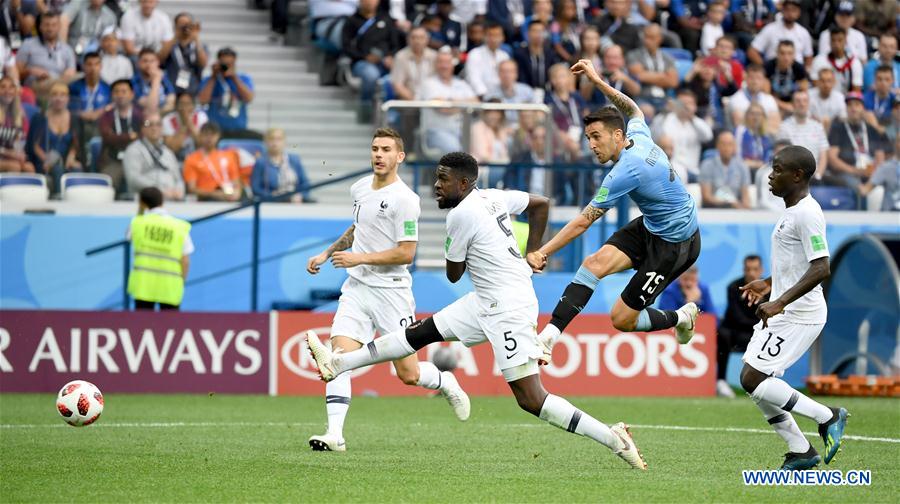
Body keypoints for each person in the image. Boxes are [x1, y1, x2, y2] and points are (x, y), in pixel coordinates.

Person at [306, 150, 649, 470]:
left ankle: (613, 438)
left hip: (507, 308)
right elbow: (541, 204)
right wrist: (533, 251)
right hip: (488, 297)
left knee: (531, 399)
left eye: (443, 180)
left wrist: (470, 248)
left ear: (464, 183)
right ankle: (338, 363)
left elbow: (454, 275)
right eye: (436, 178)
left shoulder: (460, 215)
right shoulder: (494, 196)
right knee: (420, 333)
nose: (436, 186)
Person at [304, 129, 470, 452]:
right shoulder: (359, 188)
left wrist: (359, 257)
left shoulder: (406, 200)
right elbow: (358, 227)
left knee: (407, 374)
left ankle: (444, 380)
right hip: (356, 287)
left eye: (386, 150)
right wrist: (326, 254)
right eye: (375, 149)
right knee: (338, 357)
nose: (379, 154)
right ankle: (334, 434)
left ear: (400, 157)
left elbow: (406, 252)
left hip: (391, 292)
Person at [527, 59, 701, 364]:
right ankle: (549, 337)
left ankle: (680, 317)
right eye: (588, 138)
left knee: (621, 319)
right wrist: (596, 79)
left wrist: (544, 251)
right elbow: (633, 109)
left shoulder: (625, 171)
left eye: (597, 137)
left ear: (617, 136)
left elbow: (583, 222)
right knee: (593, 263)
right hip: (652, 227)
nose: (592, 145)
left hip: (677, 246)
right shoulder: (639, 134)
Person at [738, 144, 848, 470]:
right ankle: (801, 450)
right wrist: (769, 283)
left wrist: (780, 301)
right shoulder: (791, 211)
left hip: (801, 314)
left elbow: (821, 267)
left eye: (777, 169)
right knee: (755, 381)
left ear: (797, 175)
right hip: (785, 309)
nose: (770, 176)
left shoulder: (808, 213)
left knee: (753, 378)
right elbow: (797, 263)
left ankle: (827, 416)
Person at [127, 187, 193, 311]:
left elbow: (128, 237)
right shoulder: (179, 226)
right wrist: (181, 282)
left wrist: (140, 212)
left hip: (144, 285)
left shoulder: (137, 223)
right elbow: (185, 260)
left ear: (141, 203)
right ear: (162, 201)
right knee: (170, 328)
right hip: (170, 286)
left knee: (142, 328)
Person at [340, 0, 401, 121]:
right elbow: (346, 46)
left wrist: (390, 56)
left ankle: (392, 115)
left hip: (385, 62)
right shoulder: (351, 20)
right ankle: (366, 110)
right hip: (361, 62)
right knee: (371, 75)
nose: (369, 2)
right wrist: (364, 57)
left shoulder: (386, 19)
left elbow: (395, 44)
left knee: (396, 78)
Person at [715, 255, 762, 398]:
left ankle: (764, 384)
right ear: (744, 270)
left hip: (757, 334)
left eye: (755, 269)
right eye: (748, 269)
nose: (751, 273)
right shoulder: (734, 287)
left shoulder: (769, 290)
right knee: (722, 333)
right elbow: (737, 317)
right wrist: (759, 322)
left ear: (761, 270)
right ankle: (721, 382)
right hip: (735, 333)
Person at [416, 51, 477, 155]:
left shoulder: (461, 83)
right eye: (440, 62)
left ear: (452, 65)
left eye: (447, 62)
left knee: (484, 148)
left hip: (463, 131)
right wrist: (464, 105)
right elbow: (443, 108)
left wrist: (451, 102)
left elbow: (476, 103)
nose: (444, 66)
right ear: (435, 65)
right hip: (436, 132)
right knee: (456, 153)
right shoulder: (428, 83)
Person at [26, 81, 82, 192]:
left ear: (68, 98)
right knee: (57, 169)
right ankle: (58, 200)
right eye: (55, 94)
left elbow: (77, 144)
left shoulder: (75, 119)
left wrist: (72, 156)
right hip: (44, 161)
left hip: (66, 161)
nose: (58, 98)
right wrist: (46, 159)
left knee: (77, 168)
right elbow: (33, 146)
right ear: (49, 98)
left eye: (62, 95)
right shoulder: (40, 118)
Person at [825, 92, 888, 191]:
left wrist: (875, 172)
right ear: (846, 108)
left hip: (871, 172)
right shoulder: (838, 128)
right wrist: (855, 171)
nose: (853, 108)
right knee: (856, 186)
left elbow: (880, 156)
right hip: (848, 173)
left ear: (863, 108)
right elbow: (832, 159)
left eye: (857, 105)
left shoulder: (871, 129)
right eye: (850, 105)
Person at [197, 47, 257, 139]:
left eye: (230, 64)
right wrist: (213, 76)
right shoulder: (209, 80)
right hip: (216, 133)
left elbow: (249, 98)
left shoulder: (243, 78)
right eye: (224, 64)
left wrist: (234, 78)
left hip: (239, 130)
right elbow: (202, 101)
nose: (226, 67)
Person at [657, 88, 713, 183]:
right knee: (678, 171)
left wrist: (691, 116)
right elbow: (657, 136)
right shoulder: (667, 119)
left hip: (693, 171)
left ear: (695, 106)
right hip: (671, 168)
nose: (685, 106)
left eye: (689, 103)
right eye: (682, 103)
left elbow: (708, 136)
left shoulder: (697, 123)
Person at [123, 112, 183, 200]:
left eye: (158, 124)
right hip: (147, 200)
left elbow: (178, 179)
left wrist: (179, 190)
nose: (154, 128)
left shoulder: (168, 152)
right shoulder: (133, 150)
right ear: (142, 128)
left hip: (172, 199)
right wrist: (159, 190)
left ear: (162, 128)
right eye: (149, 124)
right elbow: (133, 179)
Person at [15, 12, 76, 95]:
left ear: (59, 27)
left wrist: (69, 73)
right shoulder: (28, 44)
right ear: (40, 27)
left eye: (54, 25)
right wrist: (30, 71)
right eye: (47, 25)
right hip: (37, 85)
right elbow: (16, 73)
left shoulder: (67, 49)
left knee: (81, 76)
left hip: (60, 86)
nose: (50, 29)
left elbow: (71, 71)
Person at [98, 79, 143, 193]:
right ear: (112, 95)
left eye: (124, 91)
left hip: (137, 161)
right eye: (116, 92)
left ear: (132, 94)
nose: (120, 95)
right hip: (114, 160)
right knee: (107, 182)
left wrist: (119, 138)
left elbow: (143, 136)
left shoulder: (140, 115)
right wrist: (130, 137)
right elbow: (107, 137)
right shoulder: (106, 116)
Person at [182, 122, 242, 202]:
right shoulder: (191, 159)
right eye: (206, 134)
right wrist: (215, 194)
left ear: (218, 136)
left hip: (229, 196)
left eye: (213, 134)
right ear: (200, 136)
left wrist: (237, 193)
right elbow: (191, 189)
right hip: (206, 200)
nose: (209, 138)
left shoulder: (229, 156)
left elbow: (236, 182)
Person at [776, 90, 829, 181]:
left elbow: (823, 154)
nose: (802, 104)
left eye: (805, 101)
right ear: (792, 104)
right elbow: (784, 158)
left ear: (808, 104)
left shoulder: (818, 127)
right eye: (798, 101)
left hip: (816, 177)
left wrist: (818, 176)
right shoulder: (784, 127)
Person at [627, 24, 678, 113]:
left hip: (663, 97)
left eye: (652, 37)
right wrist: (663, 76)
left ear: (660, 39)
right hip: (642, 96)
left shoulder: (667, 58)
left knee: (679, 110)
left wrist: (649, 75)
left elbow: (673, 82)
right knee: (647, 110)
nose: (647, 41)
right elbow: (639, 76)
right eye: (646, 36)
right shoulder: (634, 55)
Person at [251, 127, 310, 201]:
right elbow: (255, 188)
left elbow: (305, 184)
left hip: (295, 202)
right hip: (272, 202)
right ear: (266, 142)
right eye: (271, 139)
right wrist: (270, 195)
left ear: (284, 141)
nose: (275, 142)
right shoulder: (261, 162)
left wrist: (301, 196)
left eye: (279, 139)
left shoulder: (295, 160)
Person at [747, 0, 812, 67]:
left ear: (799, 12)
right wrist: (765, 69)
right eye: (787, 9)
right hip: (773, 72)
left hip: (796, 73)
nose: (790, 13)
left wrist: (803, 73)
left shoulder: (804, 33)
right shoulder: (770, 29)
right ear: (782, 11)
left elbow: (808, 57)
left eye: (794, 10)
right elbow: (752, 51)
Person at [158, 12, 207, 96]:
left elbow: (203, 63)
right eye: (181, 25)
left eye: (188, 24)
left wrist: (196, 38)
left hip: (192, 88)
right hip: (172, 88)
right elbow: (159, 59)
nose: (185, 27)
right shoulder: (170, 45)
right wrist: (175, 36)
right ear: (175, 26)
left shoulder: (198, 45)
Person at [700, 131, 752, 208]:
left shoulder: (742, 167)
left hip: (735, 213)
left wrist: (743, 207)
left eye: (730, 144)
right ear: (717, 146)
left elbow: (746, 198)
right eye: (723, 144)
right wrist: (729, 205)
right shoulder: (707, 165)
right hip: (713, 210)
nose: (726, 148)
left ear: (734, 147)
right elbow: (706, 197)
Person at [68, 51, 111, 142]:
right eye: (89, 64)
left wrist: (100, 112)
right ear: (83, 66)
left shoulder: (107, 88)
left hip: (100, 123)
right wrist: (81, 114)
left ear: (101, 66)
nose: (93, 68)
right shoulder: (74, 87)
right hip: (78, 123)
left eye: (96, 64)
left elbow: (111, 107)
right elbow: (70, 108)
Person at [728, 64, 780, 132]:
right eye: (751, 77)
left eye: (758, 78)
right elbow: (739, 125)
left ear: (764, 80)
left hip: (766, 139)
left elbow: (775, 126)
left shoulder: (770, 100)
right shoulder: (736, 99)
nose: (755, 82)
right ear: (745, 78)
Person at [810, 27, 862, 95]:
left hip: (846, 101)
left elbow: (856, 90)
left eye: (840, 40)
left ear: (846, 41)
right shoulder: (819, 60)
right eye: (833, 40)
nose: (836, 44)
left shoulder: (854, 63)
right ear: (829, 41)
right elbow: (815, 85)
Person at [486, 60, 536, 128]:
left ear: (516, 73)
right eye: (503, 71)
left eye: (510, 71)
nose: (507, 75)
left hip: (524, 131)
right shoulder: (491, 94)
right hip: (499, 130)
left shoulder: (527, 91)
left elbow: (537, 114)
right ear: (498, 74)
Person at [389, 27, 436, 101]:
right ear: (408, 40)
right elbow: (397, 85)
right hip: (408, 102)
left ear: (427, 40)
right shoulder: (401, 57)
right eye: (414, 37)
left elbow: (438, 82)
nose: (417, 41)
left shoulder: (434, 56)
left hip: (430, 101)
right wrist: (415, 101)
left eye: (421, 38)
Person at [465, 22, 509, 99]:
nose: (494, 39)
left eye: (497, 35)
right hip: (480, 97)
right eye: (491, 35)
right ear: (484, 36)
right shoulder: (475, 54)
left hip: (501, 97)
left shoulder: (505, 56)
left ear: (503, 37)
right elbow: (474, 80)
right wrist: (487, 96)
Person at [764, 41, 808, 117]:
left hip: (793, 105)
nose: (786, 57)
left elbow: (803, 93)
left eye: (789, 53)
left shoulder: (799, 68)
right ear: (777, 54)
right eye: (782, 53)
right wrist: (784, 106)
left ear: (794, 55)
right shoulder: (768, 67)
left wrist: (792, 106)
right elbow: (766, 95)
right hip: (773, 104)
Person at [0, 75, 32, 172]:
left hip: (10, 157)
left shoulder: (19, 114)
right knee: (14, 167)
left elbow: (20, 141)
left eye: (11, 87)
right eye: (3, 87)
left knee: (29, 167)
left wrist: (19, 153)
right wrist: (10, 153)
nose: (7, 91)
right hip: (4, 156)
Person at [163, 92, 207, 161]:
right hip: (175, 160)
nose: (185, 107)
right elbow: (173, 148)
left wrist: (190, 124)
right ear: (176, 106)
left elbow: (203, 144)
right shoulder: (168, 120)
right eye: (182, 104)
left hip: (198, 160)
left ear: (193, 106)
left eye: (188, 104)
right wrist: (184, 126)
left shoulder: (201, 117)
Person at [860, 135, 900, 211]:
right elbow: (867, 188)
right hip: (891, 214)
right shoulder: (886, 167)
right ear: (896, 144)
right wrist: (860, 188)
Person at [734, 103, 774, 180]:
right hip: (743, 170)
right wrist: (750, 163)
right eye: (752, 114)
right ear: (746, 116)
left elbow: (767, 159)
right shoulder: (740, 131)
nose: (755, 117)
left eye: (759, 114)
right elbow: (737, 156)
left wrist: (759, 164)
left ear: (763, 117)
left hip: (760, 170)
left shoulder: (765, 136)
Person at [513, 20, 556, 90]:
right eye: (535, 31)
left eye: (541, 31)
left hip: (547, 93)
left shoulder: (550, 54)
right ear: (528, 33)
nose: (538, 34)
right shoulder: (520, 54)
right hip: (526, 92)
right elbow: (520, 77)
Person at [132, 47, 176, 115]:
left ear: (158, 62)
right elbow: (150, 106)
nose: (149, 64)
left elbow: (171, 101)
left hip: (164, 114)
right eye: (145, 61)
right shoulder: (134, 82)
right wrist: (156, 80)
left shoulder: (164, 77)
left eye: (152, 61)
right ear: (138, 63)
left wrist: (160, 112)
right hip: (143, 117)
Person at [808, 67, 846, 134]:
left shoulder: (840, 97)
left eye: (829, 81)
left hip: (833, 131)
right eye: (823, 81)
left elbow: (843, 118)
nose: (826, 85)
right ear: (818, 82)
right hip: (811, 130)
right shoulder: (808, 95)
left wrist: (829, 123)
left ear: (834, 82)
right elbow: (806, 117)